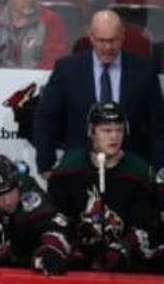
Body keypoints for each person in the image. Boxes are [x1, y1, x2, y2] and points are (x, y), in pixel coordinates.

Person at [34, 9, 164, 177]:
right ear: (91, 36)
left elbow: (158, 125)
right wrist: (46, 165)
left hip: (131, 172)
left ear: (123, 35)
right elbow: (46, 119)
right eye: (102, 40)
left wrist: (159, 168)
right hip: (78, 170)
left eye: (113, 40)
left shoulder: (144, 70)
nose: (108, 47)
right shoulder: (67, 70)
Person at [47, 102, 155, 271]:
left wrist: (124, 247)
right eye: (106, 130)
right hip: (77, 264)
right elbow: (58, 218)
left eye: (119, 130)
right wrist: (55, 247)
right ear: (91, 132)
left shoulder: (139, 172)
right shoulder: (67, 169)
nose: (114, 137)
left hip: (126, 267)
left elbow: (146, 225)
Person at [0, 154, 70, 275]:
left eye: (10, 191)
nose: (8, 201)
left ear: (18, 184)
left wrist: (51, 249)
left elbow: (57, 227)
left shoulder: (30, 194)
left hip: (29, 272)